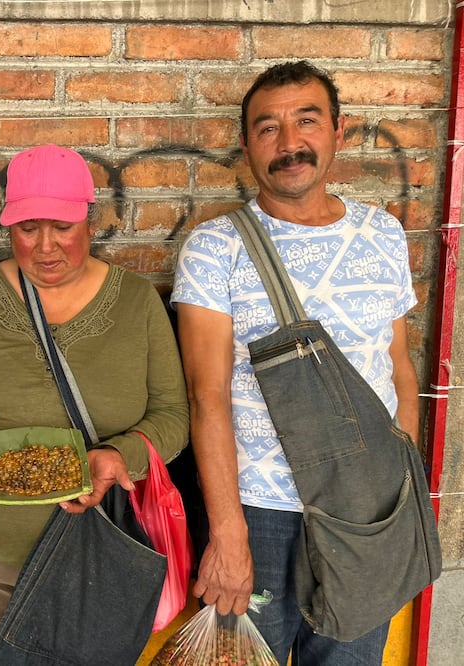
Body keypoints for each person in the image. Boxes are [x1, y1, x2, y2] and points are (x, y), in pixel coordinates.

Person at [0, 144, 190, 664]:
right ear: (10, 227)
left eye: (63, 227)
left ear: (90, 223)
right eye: (29, 228)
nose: (46, 247)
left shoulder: (137, 302)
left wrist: (120, 457)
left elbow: (173, 417)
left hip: (98, 553)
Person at [171, 60, 420, 664]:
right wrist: (227, 532)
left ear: (339, 129)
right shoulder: (215, 248)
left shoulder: (383, 234)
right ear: (246, 146)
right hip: (260, 515)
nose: (289, 144)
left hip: (366, 515)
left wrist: (397, 483)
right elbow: (208, 398)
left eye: (306, 121)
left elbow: (399, 367)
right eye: (268, 128)